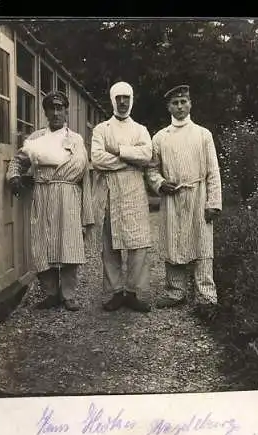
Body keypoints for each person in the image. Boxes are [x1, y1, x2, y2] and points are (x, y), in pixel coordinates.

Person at [6, 91, 94, 311]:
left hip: (68, 195)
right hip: (43, 194)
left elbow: (84, 175)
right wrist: (15, 176)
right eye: (51, 109)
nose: (56, 113)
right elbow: (18, 161)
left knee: (69, 244)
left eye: (60, 108)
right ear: (45, 112)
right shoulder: (36, 138)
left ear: (66, 111)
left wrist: (86, 211)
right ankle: (51, 293)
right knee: (41, 244)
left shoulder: (75, 140)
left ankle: (69, 295)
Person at [146, 85, 222, 316]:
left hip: (198, 195)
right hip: (173, 196)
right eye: (175, 103)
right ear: (168, 107)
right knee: (174, 241)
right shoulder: (160, 137)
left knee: (202, 244)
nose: (180, 106)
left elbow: (213, 171)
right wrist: (159, 183)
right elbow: (151, 169)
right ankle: (175, 291)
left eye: (183, 101)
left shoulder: (203, 134)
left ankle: (206, 295)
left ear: (190, 103)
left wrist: (213, 203)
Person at [91, 81, 152, 313]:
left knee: (138, 244)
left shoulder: (141, 129)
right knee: (110, 243)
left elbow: (146, 155)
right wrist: (129, 158)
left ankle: (133, 292)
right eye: (119, 98)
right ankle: (116, 292)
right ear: (112, 100)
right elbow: (97, 158)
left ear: (132, 99)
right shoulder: (101, 129)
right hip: (110, 191)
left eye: (126, 97)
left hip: (134, 190)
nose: (123, 102)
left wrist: (118, 150)